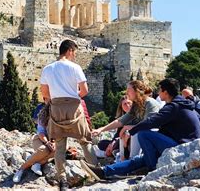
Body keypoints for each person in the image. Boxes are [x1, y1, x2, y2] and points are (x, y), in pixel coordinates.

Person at [82, 78, 200, 179]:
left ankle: (152, 170)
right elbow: (122, 120)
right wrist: (103, 129)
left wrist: (131, 130)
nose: (158, 93)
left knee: (143, 134)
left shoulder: (173, 107)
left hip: (183, 147)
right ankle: (104, 172)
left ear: (165, 92)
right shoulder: (181, 104)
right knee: (139, 160)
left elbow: (151, 122)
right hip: (180, 142)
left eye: (160, 90)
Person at [40, 39, 98, 190]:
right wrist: (73, 94)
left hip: (56, 107)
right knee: (85, 141)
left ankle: (62, 180)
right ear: (70, 50)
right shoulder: (75, 67)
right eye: (74, 52)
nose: (74, 56)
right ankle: (96, 173)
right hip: (73, 107)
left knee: (60, 146)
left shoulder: (48, 69)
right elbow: (84, 91)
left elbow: (45, 94)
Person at [92, 80, 160, 160]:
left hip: (154, 133)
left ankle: (132, 160)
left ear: (137, 90)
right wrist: (101, 129)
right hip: (143, 132)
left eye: (128, 90)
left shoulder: (150, 103)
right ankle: (121, 160)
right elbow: (121, 121)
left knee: (135, 133)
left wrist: (127, 127)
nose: (126, 92)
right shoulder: (136, 105)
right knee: (124, 133)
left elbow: (149, 124)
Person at [13, 102, 54, 183]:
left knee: (61, 149)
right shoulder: (43, 115)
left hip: (54, 140)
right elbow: (41, 132)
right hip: (40, 138)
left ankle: (37, 163)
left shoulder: (61, 117)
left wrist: (54, 142)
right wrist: (47, 142)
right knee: (44, 149)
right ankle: (21, 169)